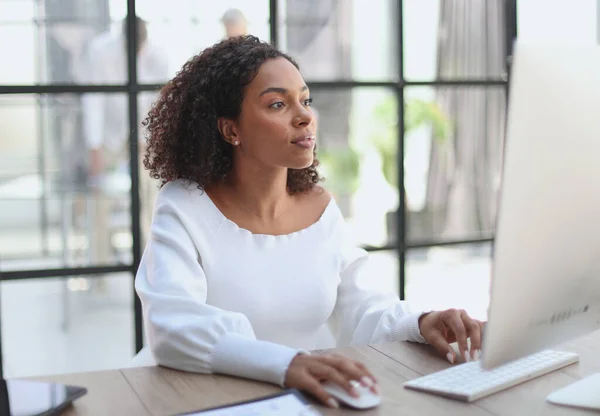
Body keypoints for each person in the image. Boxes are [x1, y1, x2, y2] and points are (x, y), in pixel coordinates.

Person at [135, 35, 484, 409]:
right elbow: (173, 326)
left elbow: (364, 309)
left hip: (292, 397)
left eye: (305, 100)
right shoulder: (185, 206)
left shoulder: (320, 208)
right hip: (190, 397)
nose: (304, 117)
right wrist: (287, 363)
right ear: (230, 130)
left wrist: (422, 322)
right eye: (277, 104)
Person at [81, 17, 169, 264]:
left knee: (150, 204)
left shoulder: (158, 55)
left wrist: (149, 141)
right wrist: (94, 147)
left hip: (143, 138)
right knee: (100, 203)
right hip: (109, 138)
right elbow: (93, 100)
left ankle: (150, 264)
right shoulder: (100, 52)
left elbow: (161, 104)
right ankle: (99, 270)